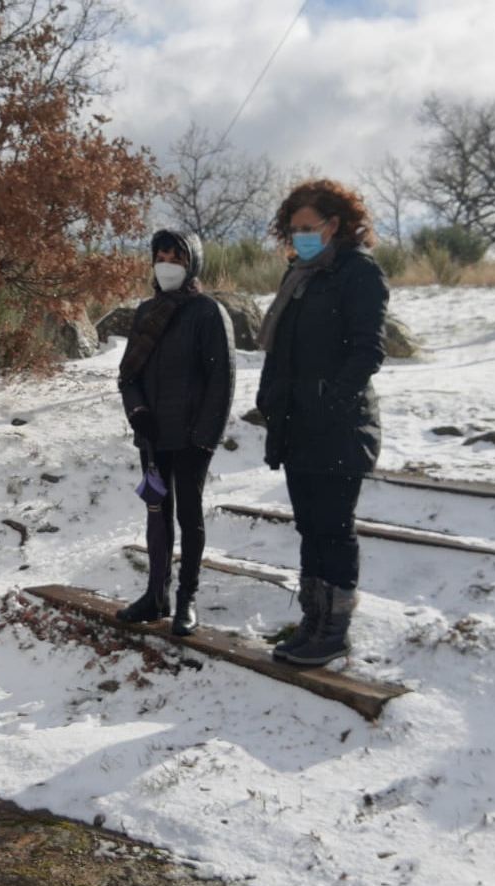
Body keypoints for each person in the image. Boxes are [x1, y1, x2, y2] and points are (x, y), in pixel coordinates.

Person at [256, 180, 389, 666]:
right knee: (310, 528)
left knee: (333, 529)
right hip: (297, 424)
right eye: (293, 230)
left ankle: (334, 631)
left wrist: (330, 403)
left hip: (338, 427)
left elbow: (368, 349)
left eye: (308, 228)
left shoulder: (359, 272)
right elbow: (282, 349)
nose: (299, 237)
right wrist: (270, 398)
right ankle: (312, 623)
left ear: (335, 225)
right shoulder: (301, 274)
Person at [116, 230, 235, 636]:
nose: (166, 262)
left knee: (188, 515)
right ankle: (155, 595)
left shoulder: (207, 312)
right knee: (156, 514)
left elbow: (222, 379)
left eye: (176, 256)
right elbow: (127, 375)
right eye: (160, 254)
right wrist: (138, 413)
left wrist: (205, 437)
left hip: (191, 438)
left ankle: (187, 599)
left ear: (192, 263)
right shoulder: (145, 312)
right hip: (152, 436)